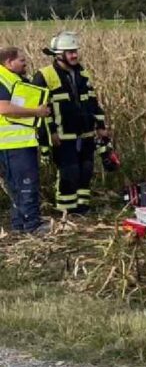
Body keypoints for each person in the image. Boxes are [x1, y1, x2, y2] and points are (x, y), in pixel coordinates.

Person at [32, 31, 109, 216]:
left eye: (75, 51)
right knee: (69, 171)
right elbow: (40, 110)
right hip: (62, 134)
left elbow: (93, 102)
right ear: (58, 54)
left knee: (86, 169)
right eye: (69, 52)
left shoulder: (83, 73)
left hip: (86, 132)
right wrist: (50, 134)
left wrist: (100, 126)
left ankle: (82, 207)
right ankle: (66, 209)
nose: (74, 55)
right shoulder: (44, 75)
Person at [0, 47, 52, 233]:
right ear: (9, 62)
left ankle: (19, 225)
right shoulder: (2, 79)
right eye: (21, 60)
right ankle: (32, 225)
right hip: (13, 144)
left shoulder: (13, 78)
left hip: (19, 142)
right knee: (26, 185)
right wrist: (36, 112)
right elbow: (4, 108)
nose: (25, 63)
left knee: (17, 186)